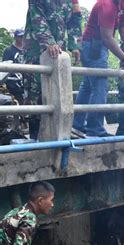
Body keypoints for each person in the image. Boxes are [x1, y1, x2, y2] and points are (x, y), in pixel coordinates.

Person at [72, 0, 124, 137]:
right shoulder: (106, 5)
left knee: (89, 85)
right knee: (100, 84)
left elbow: (123, 25)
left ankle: (76, 125)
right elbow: (107, 38)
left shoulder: (122, 3)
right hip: (93, 46)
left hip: (100, 46)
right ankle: (95, 129)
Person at [23, 0, 82, 140]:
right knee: (35, 96)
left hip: (59, 52)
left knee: (59, 92)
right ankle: (35, 140)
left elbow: (75, 19)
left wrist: (75, 45)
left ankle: (56, 139)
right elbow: (37, 17)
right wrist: (49, 42)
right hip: (36, 50)